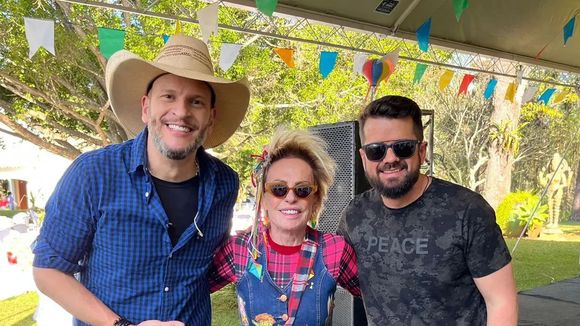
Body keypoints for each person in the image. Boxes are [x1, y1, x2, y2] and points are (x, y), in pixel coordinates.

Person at [32, 34, 250, 326]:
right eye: (169, 96)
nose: (182, 112)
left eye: (195, 102)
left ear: (211, 117)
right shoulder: (93, 174)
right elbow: (48, 270)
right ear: (146, 107)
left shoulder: (224, 183)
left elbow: (208, 267)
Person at [338, 95, 518, 325]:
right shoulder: (355, 214)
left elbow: (501, 301)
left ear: (421, 151)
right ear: (364, 157)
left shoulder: (467, 211)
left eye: (403, 148)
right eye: (376, 151)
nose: (390, 158)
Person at [209, 128, 360, 326]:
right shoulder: (239, 249)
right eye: (278, 189)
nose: (290, 197)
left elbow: (381, 298)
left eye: (303, 190)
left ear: (315, 200)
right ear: (263, 198)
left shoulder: (335, 249)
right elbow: (188, 288)